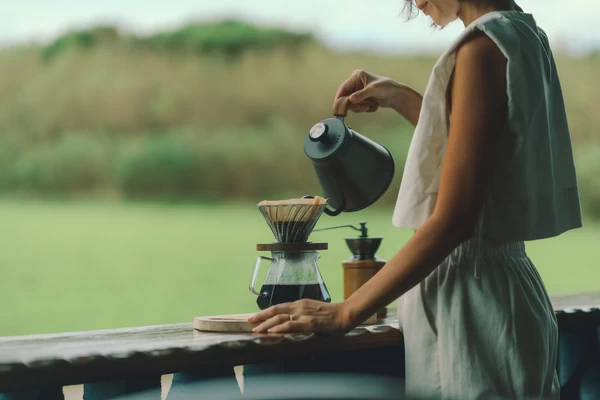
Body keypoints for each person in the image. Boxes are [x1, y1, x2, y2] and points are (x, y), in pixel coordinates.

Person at [248, 0, 583, 398]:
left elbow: (454, 220)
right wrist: (397, 95)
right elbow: (475, 147)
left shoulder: (479, 49)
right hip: (506, 296)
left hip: (472, 309)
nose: (416, 3)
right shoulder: (523, 35)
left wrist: (346, 311)